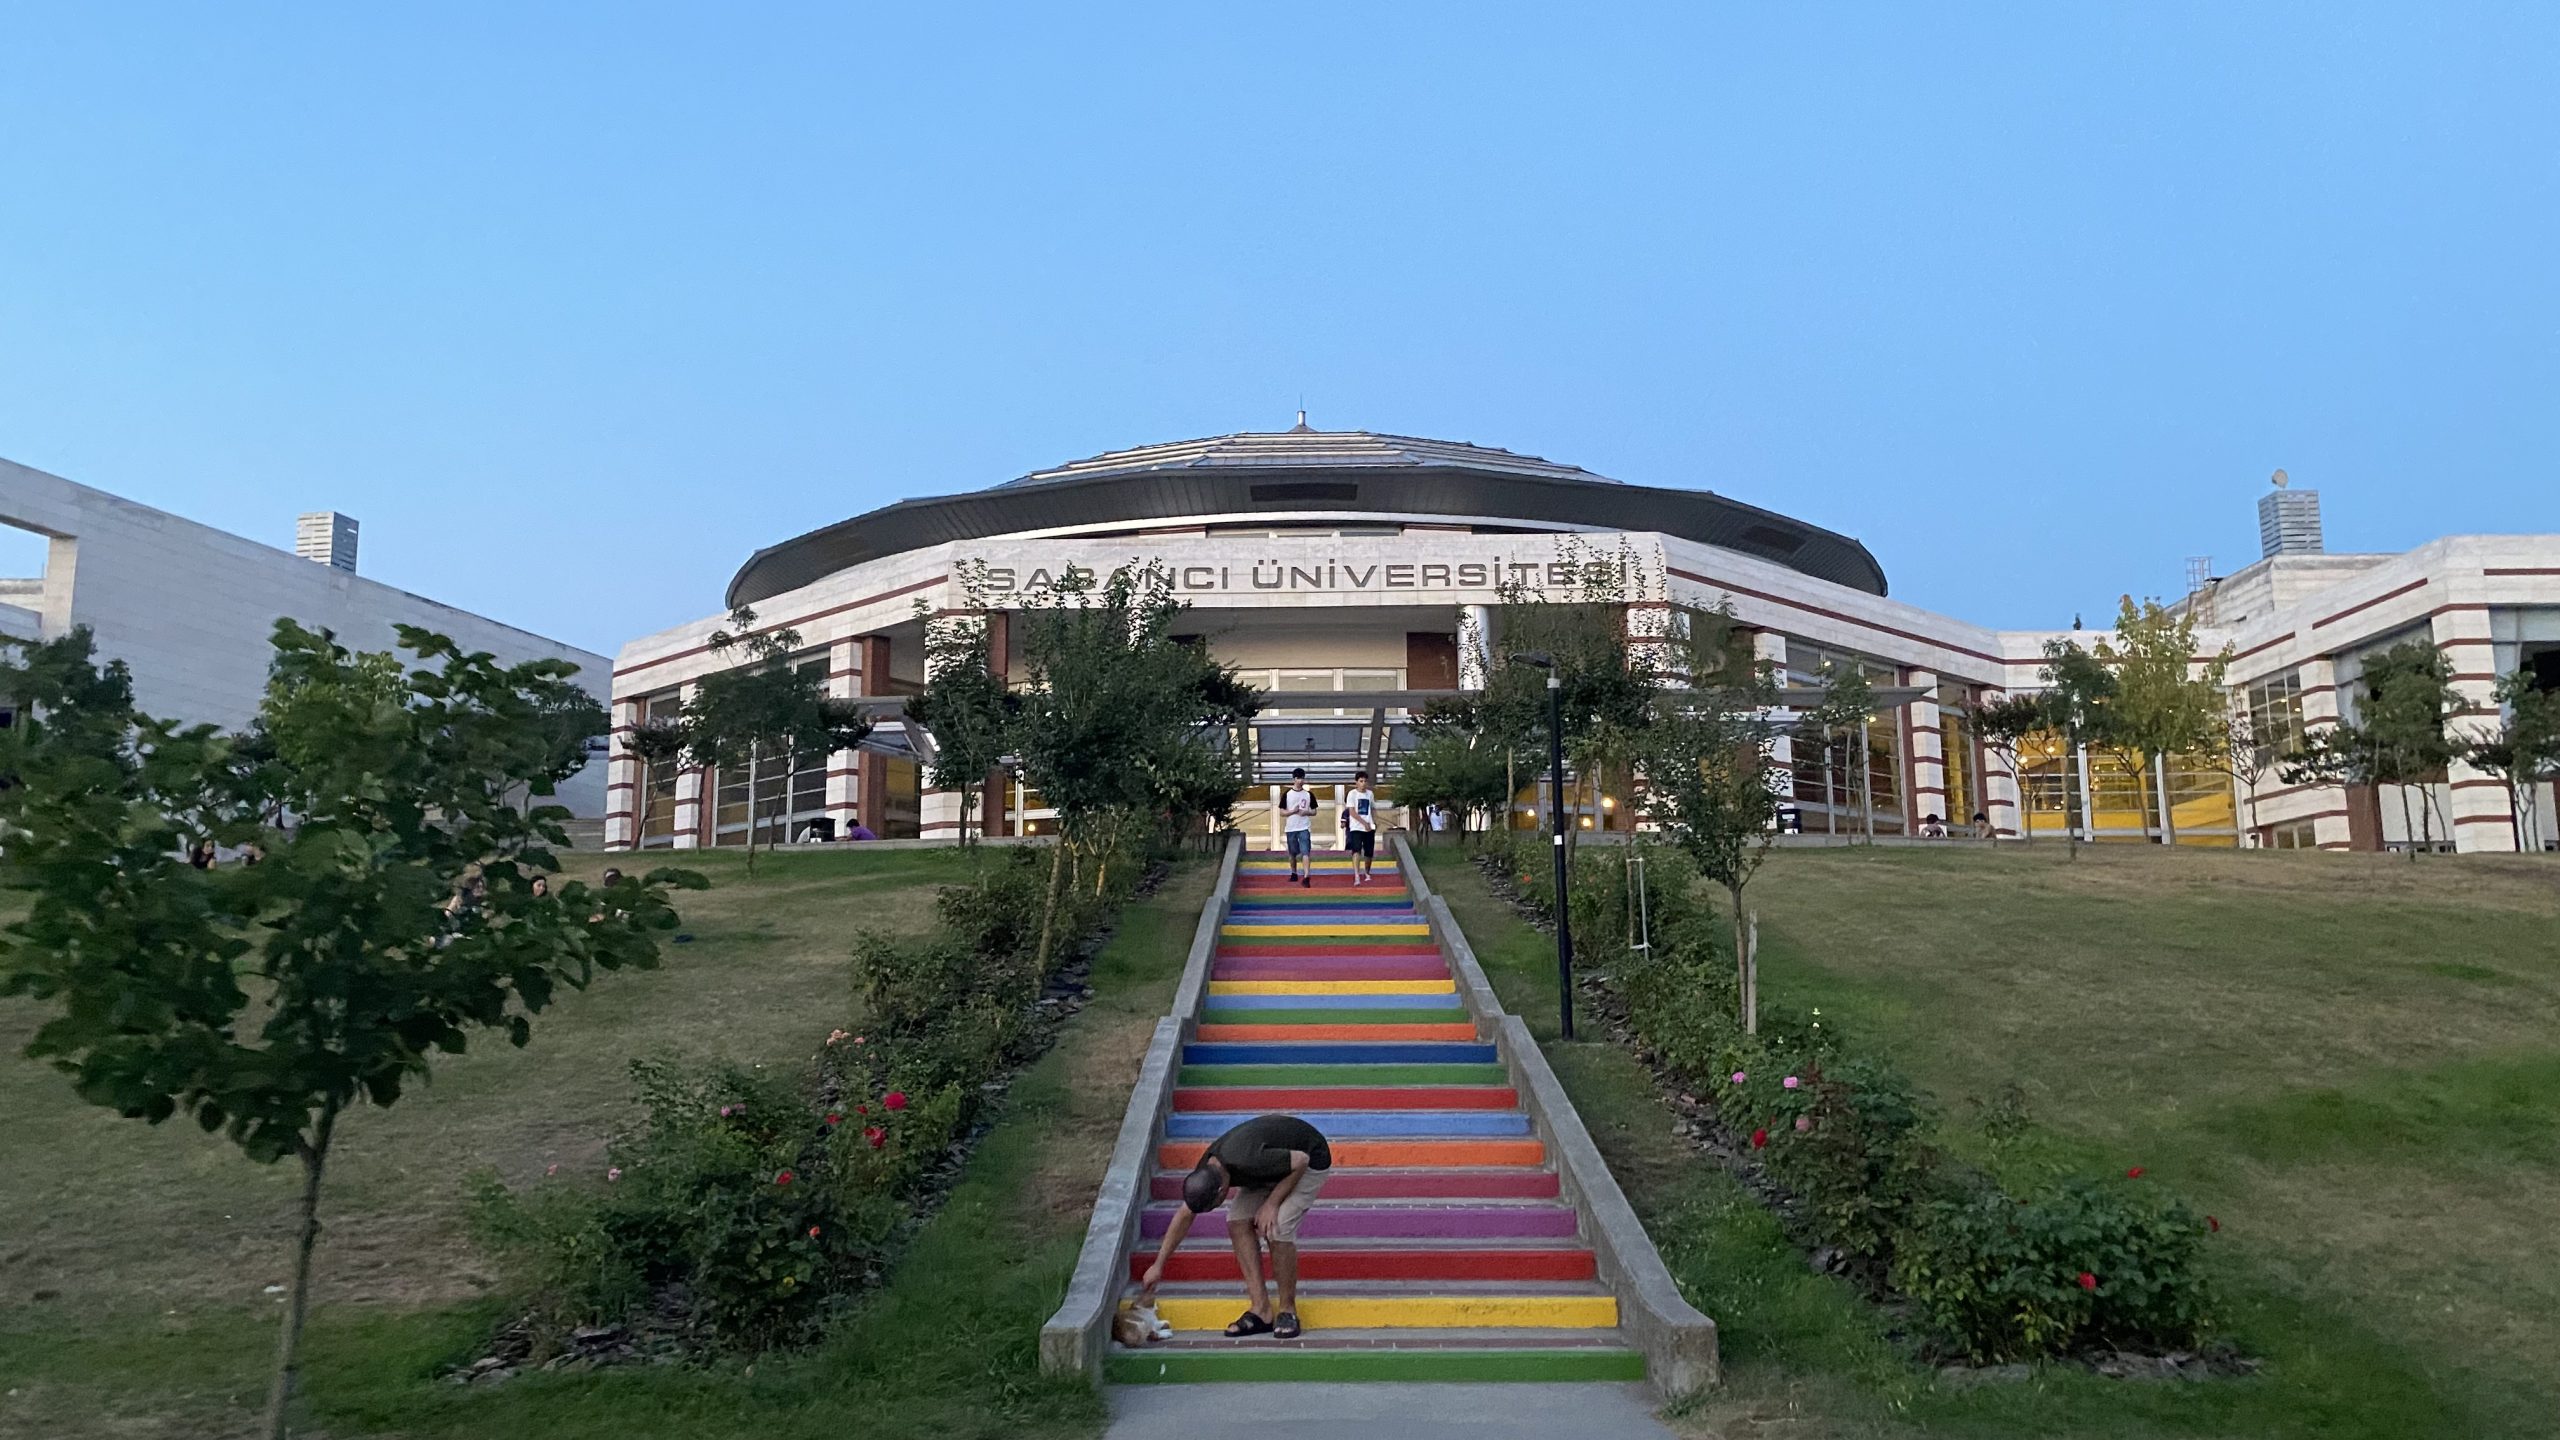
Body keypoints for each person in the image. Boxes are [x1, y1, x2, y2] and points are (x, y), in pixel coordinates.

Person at [1139, 1114, 1331, 1340]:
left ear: (1222, 1191)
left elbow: (1300, 1160)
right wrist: (1158, 1265)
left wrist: (1271, 1203)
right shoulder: (1206, 1170)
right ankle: (1261, 1311)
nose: (1213, 1209)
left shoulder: (1245, 1159)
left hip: (1310, 1160)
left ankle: (1287, 1311)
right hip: (1271, 1168)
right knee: (1237, 1220)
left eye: (1213, 1205)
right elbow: (1185, 1214)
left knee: (1277, 1226)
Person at [1280, 768, 1316, 886]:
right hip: (1291, 827)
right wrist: (1292, 811)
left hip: (1304, 826)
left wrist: (1306, 812)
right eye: (1298, 778)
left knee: (1305, 851)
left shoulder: (1308, 794)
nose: (1300, 781)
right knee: (1292, 852)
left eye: (1302, 778)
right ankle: (1294, 872)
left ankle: (1306, 876)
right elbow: (1282, 812)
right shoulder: (1287, 794)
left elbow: (1314, 811)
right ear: (1294, 779)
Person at [1345, 772, 1378, 885]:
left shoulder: (1370, 794)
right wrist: (1364, 823)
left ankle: (1367, 872)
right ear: (1356, 782)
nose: (1363, 784)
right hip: (1356, 827)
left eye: (1365, 781)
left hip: (1369, 827)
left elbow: (1372, 808)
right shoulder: (1352, 794)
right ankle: (1356, 874)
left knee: (1369, 852)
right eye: (1361, 781)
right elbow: (1352, 812)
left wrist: (1374, 822)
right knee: (1356, 850)